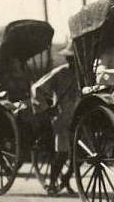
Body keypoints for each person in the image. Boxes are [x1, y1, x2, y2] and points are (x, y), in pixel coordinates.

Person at [31, 42, 80, 193]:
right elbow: (37, 88)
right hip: (62, 117)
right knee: (62, 153)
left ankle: (65, 180)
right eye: (71, 58)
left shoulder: (84, 74)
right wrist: (45, 109)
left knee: (79, 155)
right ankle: (52, 183)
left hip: (79, 118)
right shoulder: (59, 72)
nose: (73, 62)